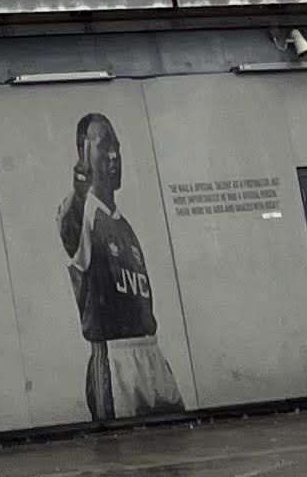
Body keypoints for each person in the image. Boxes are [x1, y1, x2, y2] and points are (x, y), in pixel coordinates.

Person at [58, 111, 184, 421]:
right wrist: (80, 190)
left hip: (151, 352)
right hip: (115, 359)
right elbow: (70, 229)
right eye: (104, 146)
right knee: (123, 443)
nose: (114, 155)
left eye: (117, 146)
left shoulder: (124, 225)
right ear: (84, 152)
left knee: (175, 435)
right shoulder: (82, 214)